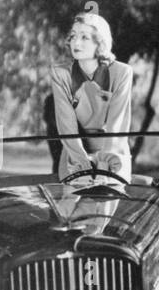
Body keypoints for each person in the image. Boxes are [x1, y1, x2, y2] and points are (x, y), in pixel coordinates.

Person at [49, 11, 133, 182]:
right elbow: (67, 127)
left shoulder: (122, 72)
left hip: (113, 157)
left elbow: (117, 126)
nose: (76, 42)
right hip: (75, 157)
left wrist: (104, 170)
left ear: (99, 42)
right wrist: (83, 166)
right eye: (73, 36)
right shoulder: (60, 74)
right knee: (70, 204)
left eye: (84, 37)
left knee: (108, 203)